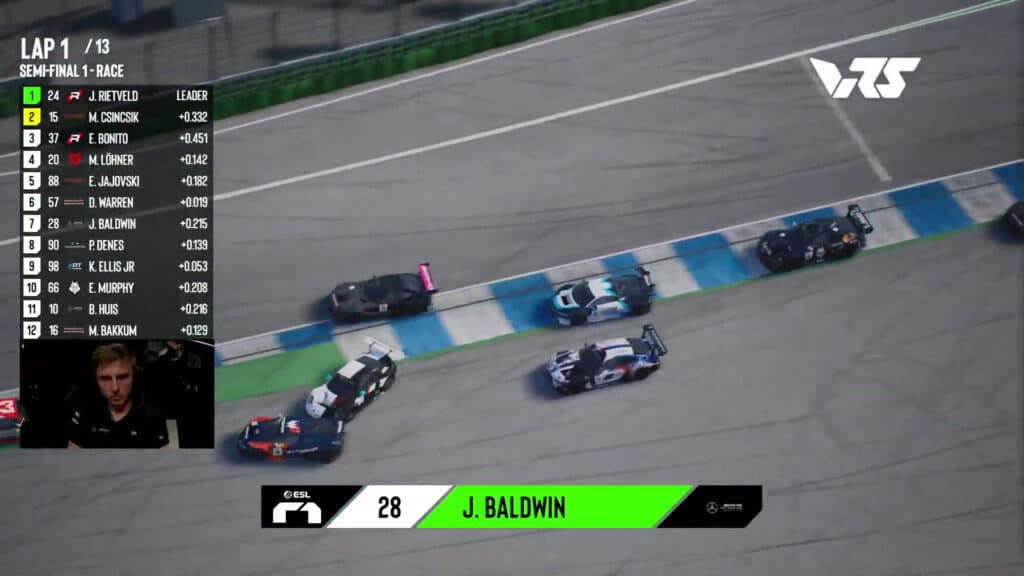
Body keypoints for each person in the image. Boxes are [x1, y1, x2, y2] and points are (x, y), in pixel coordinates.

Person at [67, 343, 169, 449]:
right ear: (96, 380)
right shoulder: (85, 413)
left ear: (134, 376)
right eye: (105, 379)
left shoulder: (152, 417)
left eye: (122, 377)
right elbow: (72, 456)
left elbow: (163, 458)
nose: (115, 388)